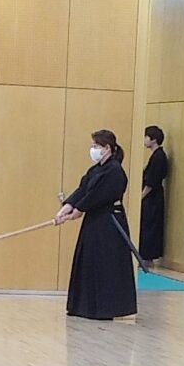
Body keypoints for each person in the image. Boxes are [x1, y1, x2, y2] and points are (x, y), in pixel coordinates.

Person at [57, 129, 138, 322]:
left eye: (96, 146)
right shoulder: (95, 170)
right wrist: (66, 208)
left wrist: (78, 210)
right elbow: (83, 189)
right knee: (88, 261)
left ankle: (105, 308)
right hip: (94, 221)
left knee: (105, 264)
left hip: (109, 223)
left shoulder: (115, 171)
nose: (92, 149)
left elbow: (98, 196)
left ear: (107, 148)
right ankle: (85, 306)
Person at [138, 125, 171, 270]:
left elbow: (152, 181)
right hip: (150, 197)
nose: (144, 139)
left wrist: (141, 196)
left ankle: (147, 259)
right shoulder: (155, 156)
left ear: (154, 139)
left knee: (150, 227)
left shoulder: (159, 157)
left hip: (152, 198)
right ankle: (144, 258)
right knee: (146, 226)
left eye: (146, 137)